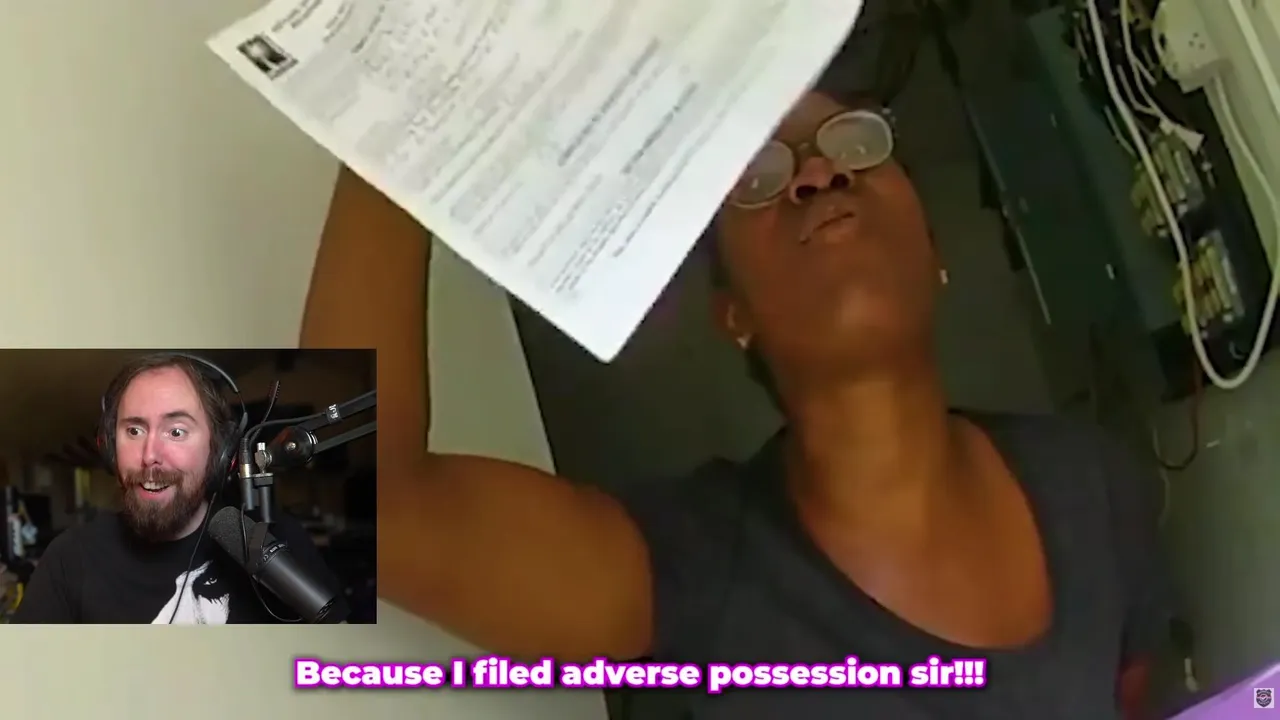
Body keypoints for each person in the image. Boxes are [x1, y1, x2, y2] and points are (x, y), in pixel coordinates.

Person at [301, 86, 1169, 718]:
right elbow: (338, 505)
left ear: (936, 255)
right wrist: (406, 110)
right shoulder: (702, 575)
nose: (818, 172)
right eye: (757, 173)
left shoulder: (1089, 482)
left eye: (856, 141)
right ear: (734, 316)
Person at [12, 354, 339, 624]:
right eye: (135, 430)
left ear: (219, 450)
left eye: (176, 432)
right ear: (110, 447)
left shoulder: (278, 546)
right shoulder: (68, 559)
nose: (150, 455)